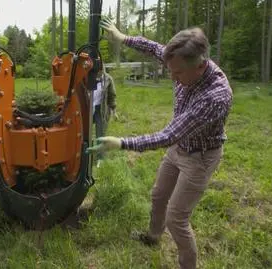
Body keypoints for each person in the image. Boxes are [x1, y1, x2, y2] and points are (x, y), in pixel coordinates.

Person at [86, 18, 233, 269]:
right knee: (158, 195)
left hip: (199, 157)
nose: (172, 78)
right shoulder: (181, 59)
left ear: (200, 66)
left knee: (177, 217)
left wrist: (121, 143)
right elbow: (155, 48)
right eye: (169, 70)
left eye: (177, 73)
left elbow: (168, 135)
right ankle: (153, 237)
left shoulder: (215, 96)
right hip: (179, 148)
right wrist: (123, 38)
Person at [92, 67, 118, 168]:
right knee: (84, 133)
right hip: (88, 108)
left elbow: (112, 96)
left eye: (100, 69)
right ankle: (85, 155)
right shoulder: (87, 76)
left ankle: (100, 158)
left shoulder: (108, 79)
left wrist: (114, 111)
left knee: (100, 134)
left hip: (101, 110)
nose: (99, 72)